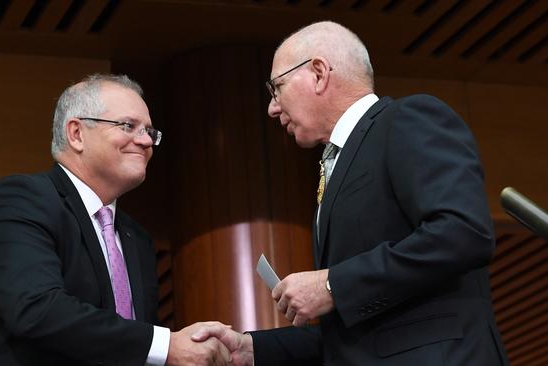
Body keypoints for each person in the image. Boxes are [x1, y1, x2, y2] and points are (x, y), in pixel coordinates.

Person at [193, 21, 509, 365]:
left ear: (317, 73)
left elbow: (463, 233)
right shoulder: (335, 166)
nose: (272, 107)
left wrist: (332, 285)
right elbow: (355, 336)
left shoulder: (407, 119)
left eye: (276, 88)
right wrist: (253, 349)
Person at [0, 74, 231, 366]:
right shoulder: (23, 199)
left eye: (150, 131)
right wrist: (167, 344)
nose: (146, 140)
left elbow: (133, 347)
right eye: (128, 126)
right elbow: (35, 309)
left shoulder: (137, 238)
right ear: (76, 134)